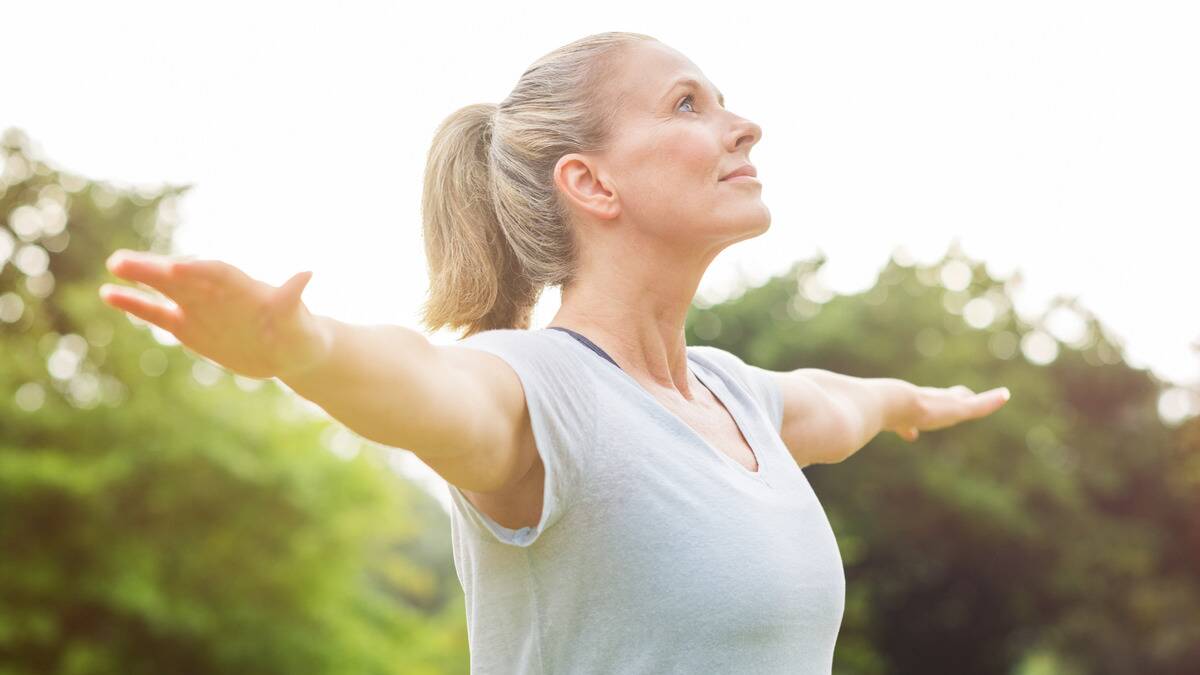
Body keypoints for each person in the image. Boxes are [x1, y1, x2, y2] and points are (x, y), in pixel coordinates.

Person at [99, 31, 1010, 675]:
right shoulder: (546, 392)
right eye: (688, 103)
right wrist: (305, 346)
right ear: (590, 181)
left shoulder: (741, 398)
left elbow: (845, 403)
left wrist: (918, 402)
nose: (743, 126)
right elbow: (426, 383)